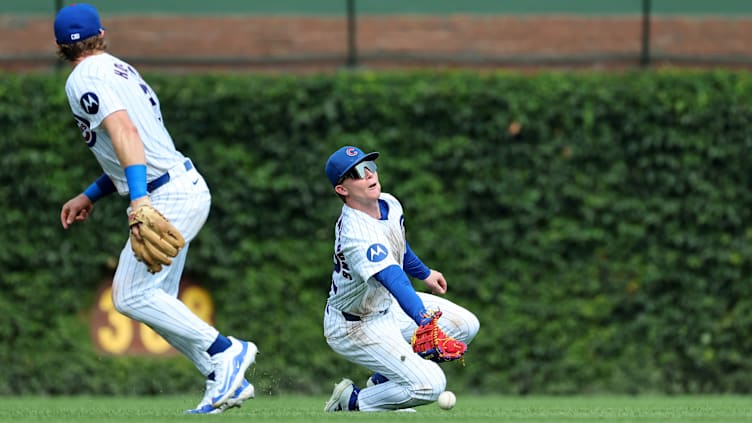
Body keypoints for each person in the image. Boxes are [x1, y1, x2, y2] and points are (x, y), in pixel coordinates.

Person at [54, 4, 257, 414]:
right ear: (102, 34)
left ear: (60, 46)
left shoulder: (82, 78)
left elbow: (125, 133)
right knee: (157, 299)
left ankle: (227, 351)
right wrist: (91, 195)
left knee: (129, 295)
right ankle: (223, 378)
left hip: (167, 194)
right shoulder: (120, 69)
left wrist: (140, 199)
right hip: (178, 184)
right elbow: (131, 146)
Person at [322, 146, 480, 412]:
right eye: (358, 172)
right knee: (432, 385)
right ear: (342, 190)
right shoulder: (356, 232)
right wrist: (424, 321)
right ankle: (351, 401)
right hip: (355, 325)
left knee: (466, 325)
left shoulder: (389, 203)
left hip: (386, 307)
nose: (369, 174)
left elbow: (400, 247)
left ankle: (383, 382)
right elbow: (394, 279)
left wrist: (425, 273)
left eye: (370, 166)